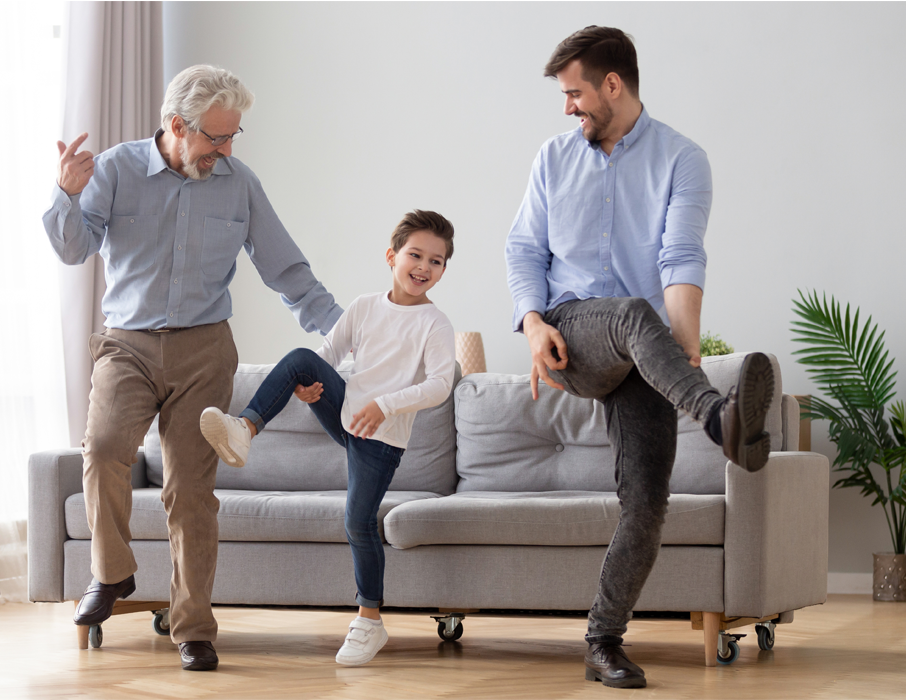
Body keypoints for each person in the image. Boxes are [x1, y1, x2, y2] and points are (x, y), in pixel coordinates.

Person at [42, 65, 343, 672]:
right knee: (101, 449)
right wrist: (67, 193)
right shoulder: (118, 171)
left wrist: (346, 337)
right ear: (178, 126)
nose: (226, 150)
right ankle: (112, 573)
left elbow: (286, 269)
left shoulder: (238, 183)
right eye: (216, 138)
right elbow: (73, 249)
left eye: (234, 137)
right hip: (126, 343)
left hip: (205, 348)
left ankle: (194, 628)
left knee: (191, 490)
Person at [505, 27, 774, 689]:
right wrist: (533, 324)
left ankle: (604, 642)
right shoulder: (553, 158)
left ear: (613, 86)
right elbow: (523, 250)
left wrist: (684, 344)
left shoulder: (683, 158)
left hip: (644, 349)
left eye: (575, 94)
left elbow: (681, 256)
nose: (569, 108)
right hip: (572, 334)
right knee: (630, 312)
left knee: (647, 505)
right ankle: (718, 418)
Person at [199, 210, 456, 667]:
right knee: (300, 358)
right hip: (346, 413)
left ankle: (370, 622)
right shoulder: (363, 307)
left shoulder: (434, 324)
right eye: (415, 255)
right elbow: (327, 354)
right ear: (391, 256)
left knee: (358, 523)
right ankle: (245, 429)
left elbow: (440, 383)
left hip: (382, 436)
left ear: (442, 270)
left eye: (436, 261)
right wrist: (306, 385)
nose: (424, 267)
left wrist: (387, 404)